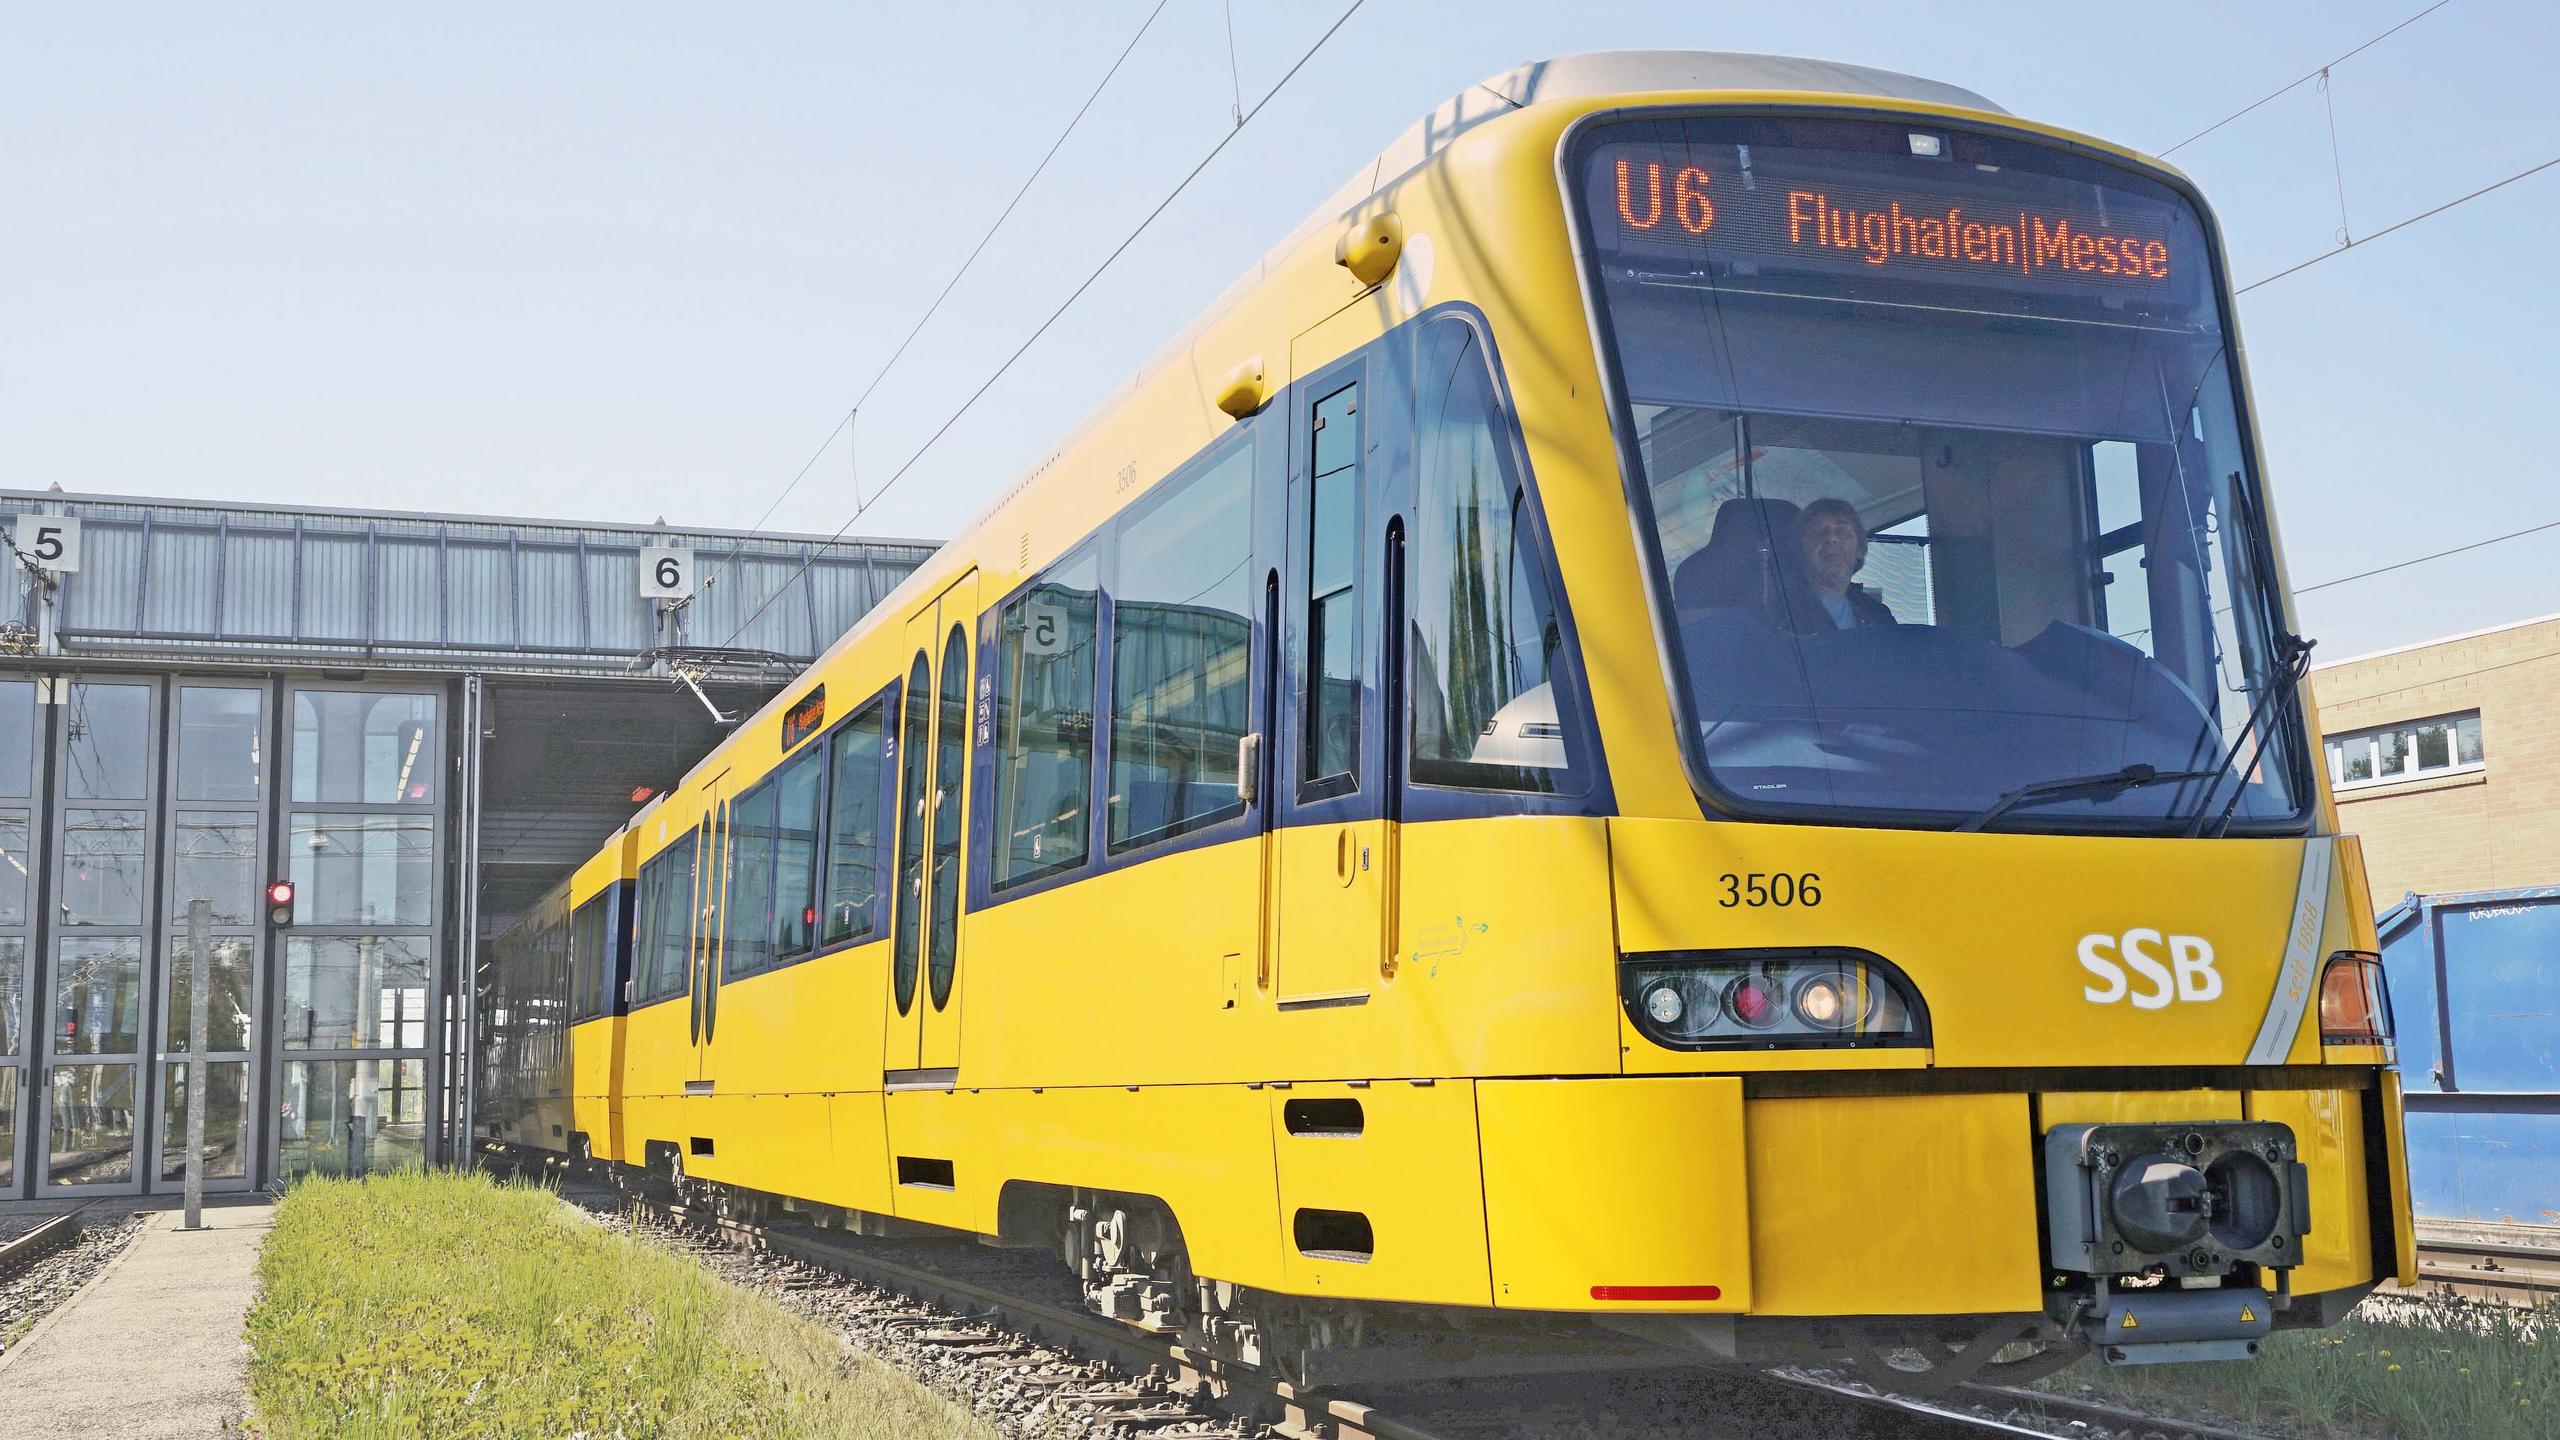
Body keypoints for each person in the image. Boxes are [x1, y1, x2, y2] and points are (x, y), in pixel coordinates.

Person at [1797, 497, 1897, 629]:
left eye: (1842, 532)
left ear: (1859, 549)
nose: (1831, 538)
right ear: (1801, 547)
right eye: (1818, 532)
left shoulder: (1877, 615)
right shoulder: (1780, 606)